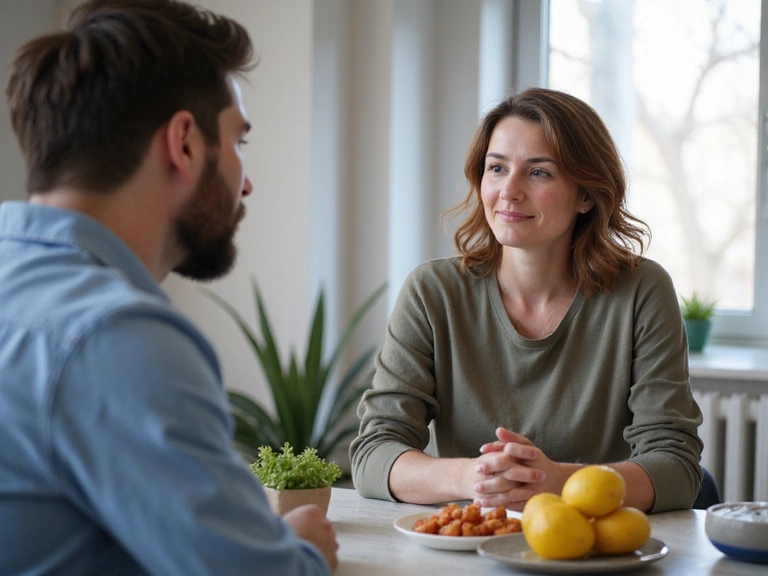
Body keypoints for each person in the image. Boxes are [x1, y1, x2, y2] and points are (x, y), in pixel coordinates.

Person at [0, 1, 338, 574]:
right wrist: (302, 549)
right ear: (183, 143)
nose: (246, 182)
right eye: (238, 142)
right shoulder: (117, 339)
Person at [350, 87, 703, 514]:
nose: (509, 191)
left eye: (539, 173)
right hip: (471, 549)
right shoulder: (432, 292)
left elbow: (676, 468)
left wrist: (554, 481)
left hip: (591, 550)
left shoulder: (642, 292)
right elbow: (373, 455)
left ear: (587, 195)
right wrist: (474, 476)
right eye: (496, 168)